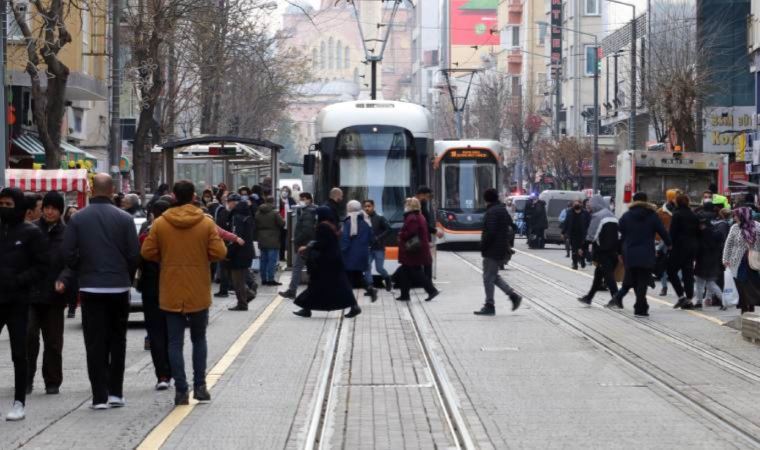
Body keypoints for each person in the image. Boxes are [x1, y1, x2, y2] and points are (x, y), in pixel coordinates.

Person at [141, 180, 228, 406]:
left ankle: (181, 389)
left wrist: (166, 259)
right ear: (193, 197)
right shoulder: (205, 223)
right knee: (199, 339)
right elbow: (219, 251)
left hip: (170, 288)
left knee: (174, 342)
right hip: (198, 288)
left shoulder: (161, 223)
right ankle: (200, 386)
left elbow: (147, 251)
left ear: (173, 197)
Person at [61, 173, 139, 410]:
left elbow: (67, 252)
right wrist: (126, 273)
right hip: (118, 285)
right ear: (112, 189)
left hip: (90, 286)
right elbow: (134, 254)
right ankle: (116, 392)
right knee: (118, 339)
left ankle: (99, 396)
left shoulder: (78, 219)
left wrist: (80, 267)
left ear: (92, 189)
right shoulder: (125, 219)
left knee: (95, 342)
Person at [0, 187, 48, 421]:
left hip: (18, 301)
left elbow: (42, 266)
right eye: (2, 204)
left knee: (19, 352)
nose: (4, 209)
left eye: (9, 205)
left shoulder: (31, 233)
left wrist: (19, 281)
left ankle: (20, 401)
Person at [26, 191, 75, 397]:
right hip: (30, 294)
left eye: (54, 208)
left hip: (55, 297)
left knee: (53, 341)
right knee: (28, 337)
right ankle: (26, 378)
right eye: (46, 207)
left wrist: (63, 280)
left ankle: (52, 381)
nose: (49, 211)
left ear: (60, 210)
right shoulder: (31, 230)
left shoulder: (68, 233)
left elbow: (71, 262)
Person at [293, 207, 362, 318]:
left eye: (317, 215)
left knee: (317, 284)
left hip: (326, 262)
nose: (315, 217)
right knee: (336, 284)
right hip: (334, 260)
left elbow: (322, 243)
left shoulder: (323, 226)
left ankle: (306, 309)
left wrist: (307, 246)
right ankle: (306, 308)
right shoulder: (331, 225)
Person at [136, 199, 172, 391]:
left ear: (153, 214)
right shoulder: (178, 232)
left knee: (156, 332)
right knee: (173, 332)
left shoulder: (146, 232)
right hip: (174, 287)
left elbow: (139, 256)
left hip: (151, 288)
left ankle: (163, 375)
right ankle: (173, 370)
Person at [616, 192, 671, 316]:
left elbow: (620, 236)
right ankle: (640, 308)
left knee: (634, 279)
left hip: (629, 252)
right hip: (646, 253)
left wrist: (619, 251)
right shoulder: (652, 215)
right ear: (646, 200)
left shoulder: (626, 216)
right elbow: (662, 231)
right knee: (642, 281)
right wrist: (669, 244)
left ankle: (640, 305)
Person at [473, 189, 522, 316]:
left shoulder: (492, 212)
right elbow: (510, 226)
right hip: (500, 247)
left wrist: (483, 245)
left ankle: (490, 305)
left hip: (492, 249)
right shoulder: (501, 209)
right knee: (493, 276)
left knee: (488, 278)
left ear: (486, 199)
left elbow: (491, 232)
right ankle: (513, 296)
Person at [577, 195, 620, 306]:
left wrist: (583, 247)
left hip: (603, 251)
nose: (590, 207)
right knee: (598, 275)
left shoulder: (598, 216)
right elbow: (619, 235)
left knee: (608, 275)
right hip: (613, 250)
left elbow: (592, 235)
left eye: (591, 205)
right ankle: (589, 297)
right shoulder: (612, 215)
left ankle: (616, 298)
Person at [396, 198, 440, 302]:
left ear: (410, 206)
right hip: (416, 250)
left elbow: (411, 232)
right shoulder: (419, 216)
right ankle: (404, 295)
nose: (405, 206)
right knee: (404, 272)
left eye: (406, 204)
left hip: (413, 251)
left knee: (416, 272)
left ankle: (432, 290)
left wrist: (401, 234)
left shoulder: (412, 217)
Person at [722, 207, 760, 314]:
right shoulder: (734, 227)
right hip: (737, 261)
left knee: (752, 284)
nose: (734, 218)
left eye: (736, 215)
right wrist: (725, 259)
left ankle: (751, 305)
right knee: (740, 284)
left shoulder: (757, 226)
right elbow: (728, 244)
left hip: (753, 261)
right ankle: (743, 307)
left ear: (743, 215)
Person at [280, 193, 317, 299]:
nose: (301, 201)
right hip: (308, 244)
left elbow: (307, 230)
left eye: (303, 199)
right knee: (306, 268)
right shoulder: (310, 211)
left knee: (297, 268)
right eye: (300, 199)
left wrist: (297, 240)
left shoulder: (308, 213)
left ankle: (292, 291)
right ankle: (293, 290)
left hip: (304, 245)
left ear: (310, 200)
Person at [341, 200, 377, 302]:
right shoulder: (366, 221)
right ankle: (370, 289)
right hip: (363, 253)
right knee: (357, 275)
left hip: (350, 254)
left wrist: (341, 250)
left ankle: (350, 302)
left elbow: (345, 240)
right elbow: (371, 238)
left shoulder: (348, 222)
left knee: (348, 278)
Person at [668, 193, 699, 310]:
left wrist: (669, 245)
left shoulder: (677, 215)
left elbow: (672, 233)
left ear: (677, 202)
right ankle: (689, 299)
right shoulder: (693, 215)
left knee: (671, 271)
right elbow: (698, 232)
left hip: (679, 248)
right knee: (688, 273)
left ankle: (681, 296)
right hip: (692, 248)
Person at [227, 195, 256, 311]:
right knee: (241, 278)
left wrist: (229, 253)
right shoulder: (247, 215)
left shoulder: (237, 217)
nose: (228, 204)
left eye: (229, 202)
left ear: (234, 203)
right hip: (247, 251)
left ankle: (242, 303)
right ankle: (247, 294)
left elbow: (235, 236)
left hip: (239, 253)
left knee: (237, 280)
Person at [693, 217, 723, 309]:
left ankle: (698, 302)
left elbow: (698, 248)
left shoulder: (702, 234)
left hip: (702, 261)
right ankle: (724, 301)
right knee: (710, 283)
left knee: (700, 283)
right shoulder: (716, 233)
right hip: (713, 261)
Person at [363, 199, 392, 291]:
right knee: (367, 266)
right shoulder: (363, 219)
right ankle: (370, 286)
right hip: (368, 248)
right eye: (365, 206)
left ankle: (387, 279)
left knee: (379, 268)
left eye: (369, 206)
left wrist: (378, 238)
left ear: (373, 206)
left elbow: (389, 229)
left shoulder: (380, 218)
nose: (367, 208)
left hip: (379, 248)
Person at [255, 196, 285, 286]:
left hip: (262, 238)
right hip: (273, 239)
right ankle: (271, 279)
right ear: (273, 202)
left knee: (263, 260)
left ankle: (263, 279)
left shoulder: (258, 212)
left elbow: (256, 224)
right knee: (271, 261)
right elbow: (282, 223)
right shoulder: (275, 212)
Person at [415, 187, 442, 281]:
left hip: (422, 237)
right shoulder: (417, 205)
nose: (429, 199)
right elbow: (423, 223)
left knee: (421, 262)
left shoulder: (422, 204)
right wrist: (435, 231)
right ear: (421, 195)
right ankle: (428, 283)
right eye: (428, 196)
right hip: (421, 238)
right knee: (426, 261)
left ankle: (426, 282)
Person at [656, 189, 679, 296]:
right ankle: (664, 287)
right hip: (664, 242)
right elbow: (656, 227)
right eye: (675, 196)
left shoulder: (680, 209)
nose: (677, 198)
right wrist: (659, 239)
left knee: (678, 265)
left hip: (678, 240)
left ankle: (680, 288)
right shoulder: (661, 212)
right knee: (664, 265)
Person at [213, 194, 236, 298]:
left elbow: (220, 229)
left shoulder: (225, 212)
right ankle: (227, 288)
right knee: (228, 267)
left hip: (227, 243)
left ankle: (224, 290)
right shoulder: (228, 212)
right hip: (230, 242)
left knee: (225, 268)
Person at [561, 200, 589, 270]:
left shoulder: (585, 213)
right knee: (574, 250)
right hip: (573, 234)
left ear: (581, 204)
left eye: (578, 203)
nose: (576, 204)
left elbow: (589, 223)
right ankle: (575, 263)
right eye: (575, 203)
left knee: (583, 249)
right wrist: (563, 232)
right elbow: (566, 222)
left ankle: (582, 259)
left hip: (583, 234)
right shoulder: (569, 212)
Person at [279, 186, 297, 261]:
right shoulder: (279, 200)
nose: (285, 192)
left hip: (289, 222)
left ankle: (290, 257)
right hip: (281, 223)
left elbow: (294, 208)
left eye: (286, 191)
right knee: (282, 240)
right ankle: (281, 257)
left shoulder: (291, 200)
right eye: (283, 190)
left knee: (289, 239)